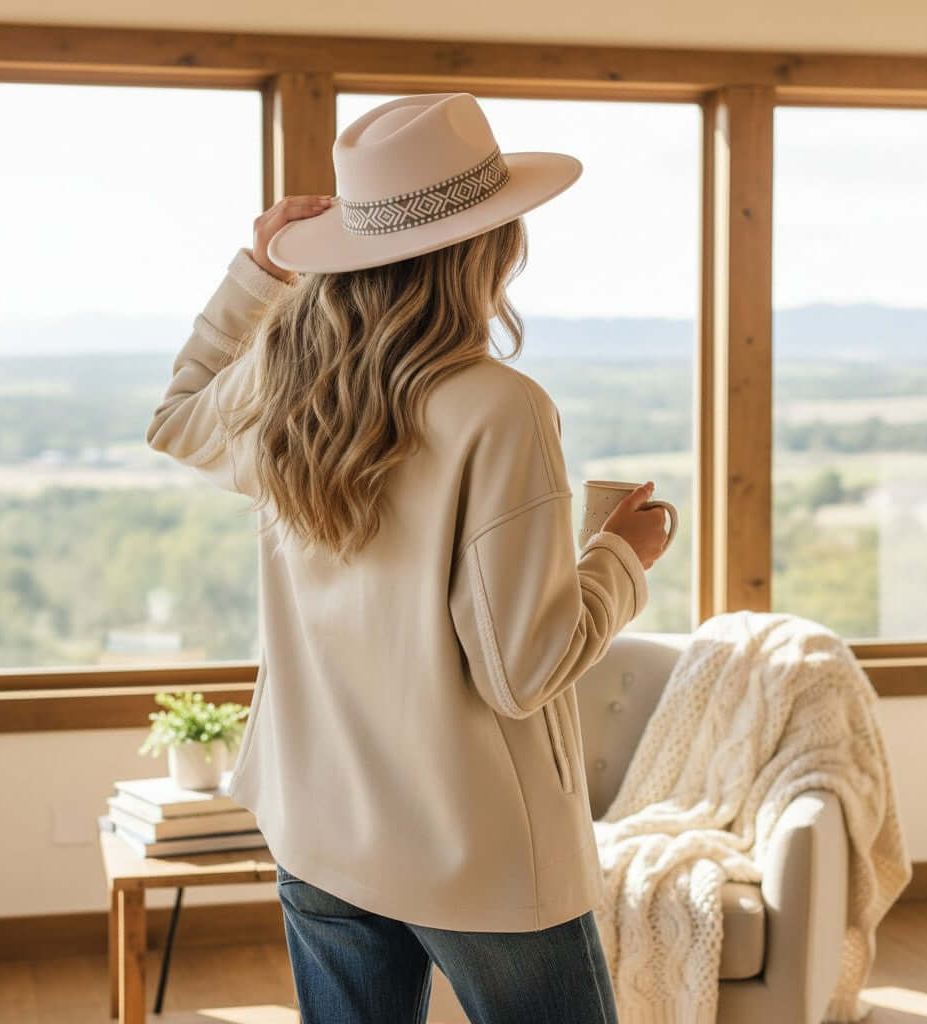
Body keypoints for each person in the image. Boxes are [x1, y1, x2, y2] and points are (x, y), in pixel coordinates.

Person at [145, 92, 671, 1024]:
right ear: (491, 244)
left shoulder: (285, 384)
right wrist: (621, 557)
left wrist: (258, 269)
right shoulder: (500, 408)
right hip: (472, 846)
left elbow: (178, 415)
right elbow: (525, 669)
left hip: (318, 824)